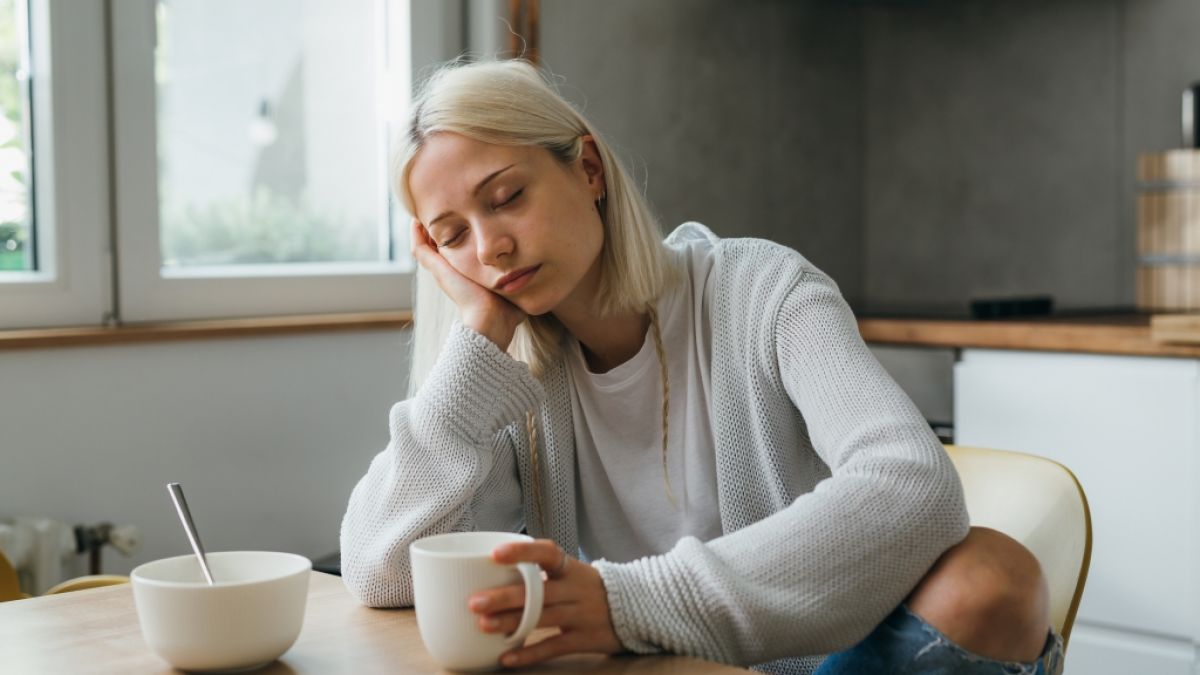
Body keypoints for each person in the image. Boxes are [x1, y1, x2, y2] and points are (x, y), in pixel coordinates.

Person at [340, 59, 1062, 675]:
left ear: (588, 168)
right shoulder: (503, 376)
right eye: (452, 236)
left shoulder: (764, 289)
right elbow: (380, 571)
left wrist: (627, 602)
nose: (490, 247)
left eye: (508, 198)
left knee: (992, 576)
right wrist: (477, 339)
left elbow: (914, 485)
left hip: (809, 663)